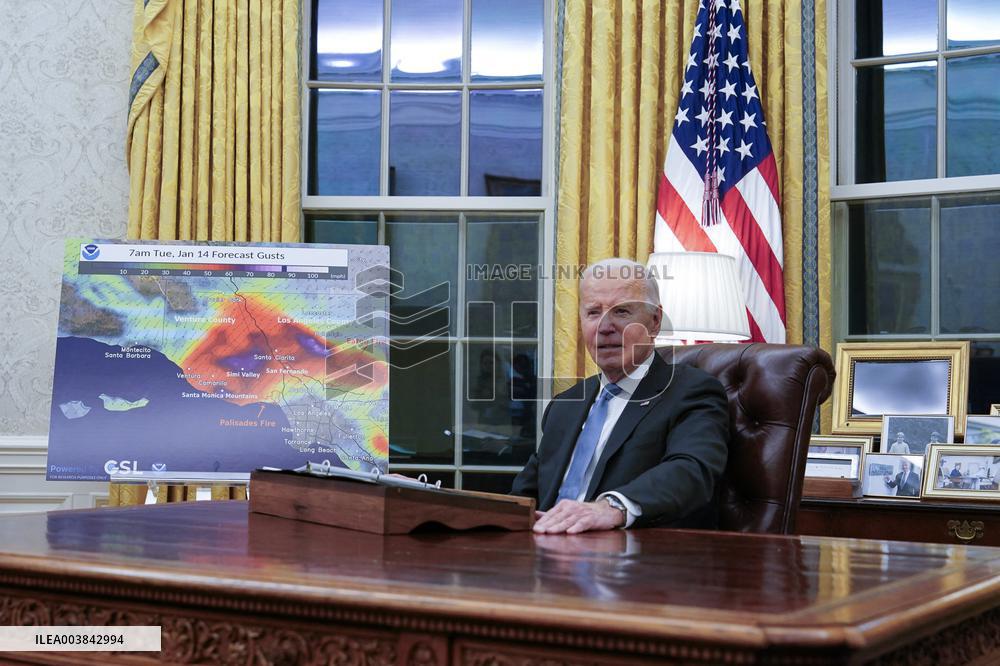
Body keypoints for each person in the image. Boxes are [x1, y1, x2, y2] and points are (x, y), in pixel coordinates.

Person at [510, 258, 729, 534]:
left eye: (622, 312)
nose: (604, 327)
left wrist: (610, 508)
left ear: (655, 321)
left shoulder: (691, 392)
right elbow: (522, 497)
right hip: (544, 556)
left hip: (630, 563)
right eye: (592, 313)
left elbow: (691, 471)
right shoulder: (565, 404)